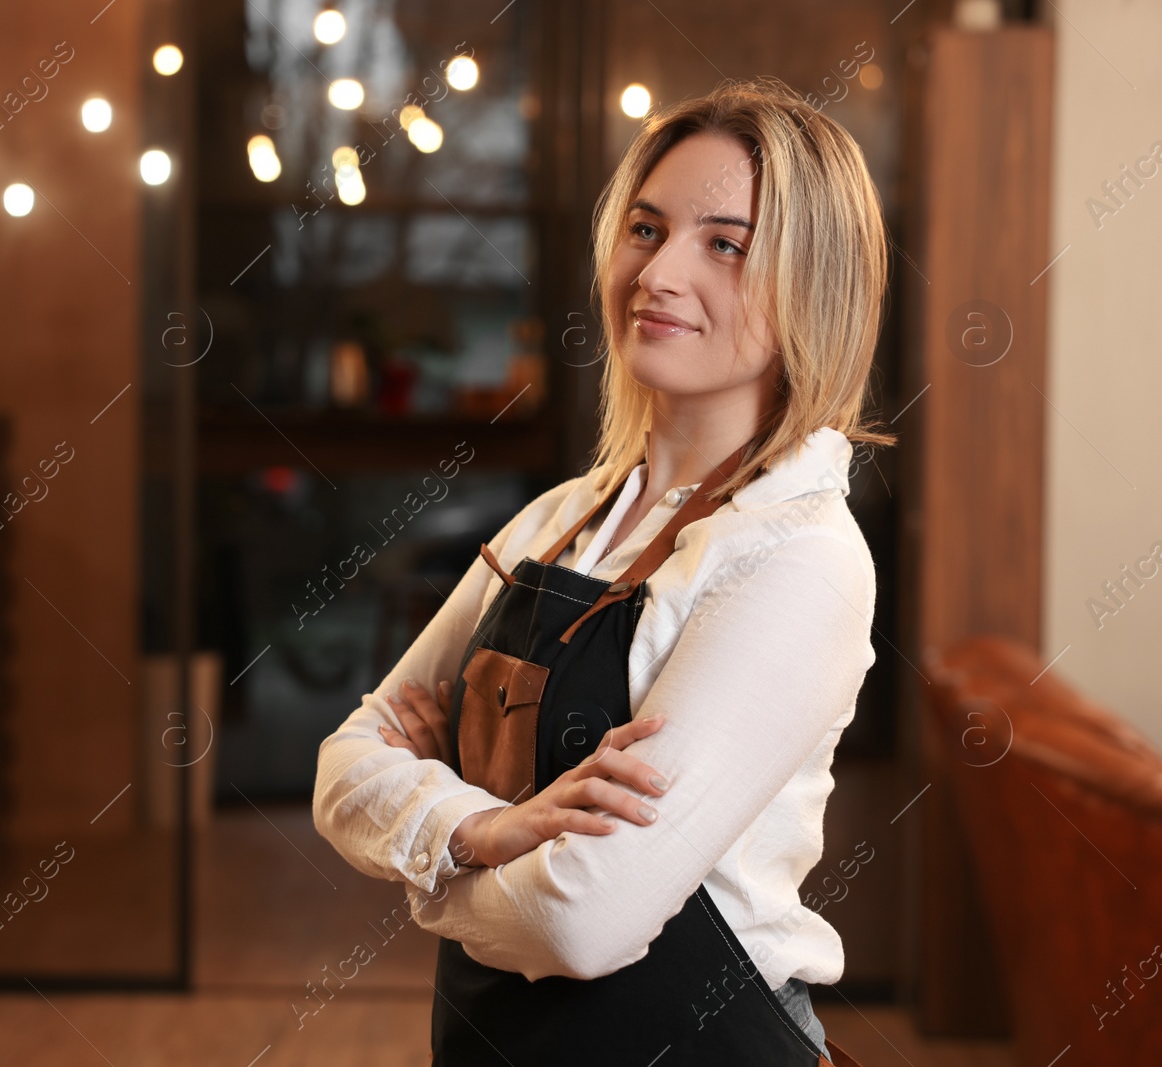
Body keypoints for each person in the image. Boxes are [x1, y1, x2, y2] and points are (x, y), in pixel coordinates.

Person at [312, 76, 892, 1065]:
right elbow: (342, 767)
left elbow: (582, 920)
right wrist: (487, 829)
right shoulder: (560, 518)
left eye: (725, 243)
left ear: (813, 282)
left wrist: (428, 850)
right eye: (645, 228)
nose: (658, 273)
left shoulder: (797, 558)